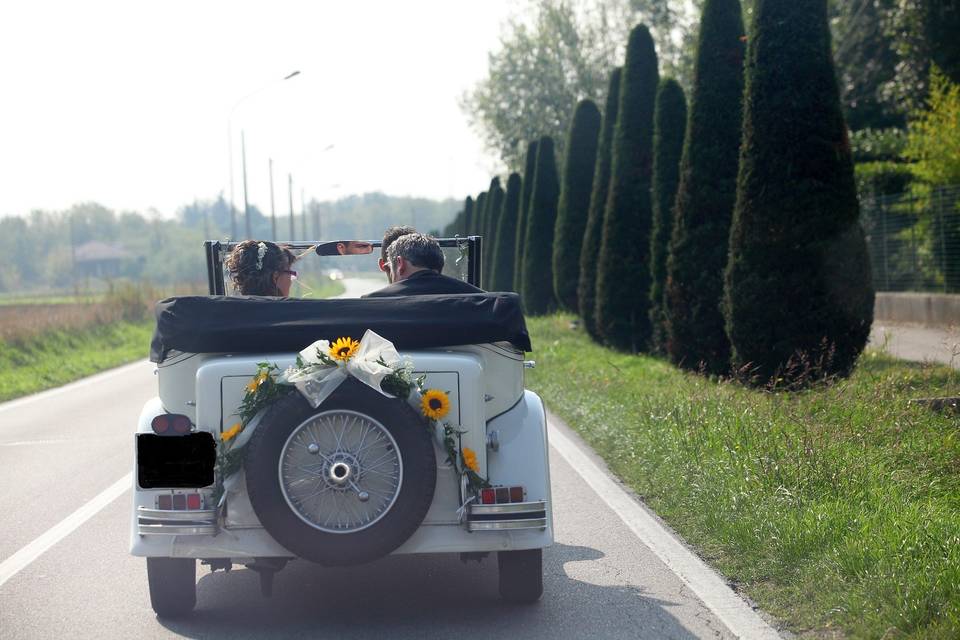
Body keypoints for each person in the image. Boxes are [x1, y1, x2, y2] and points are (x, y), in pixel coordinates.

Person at [364, 232, 484, 297]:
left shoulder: (374, 302)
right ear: (440, 263)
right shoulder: (481, 299)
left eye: (391, 268)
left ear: (400, 264)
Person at [224, 240, 298, 296]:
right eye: (291, 274)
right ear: (275, 277)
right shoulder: (296, 314)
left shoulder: (229, 312)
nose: (291, 280)